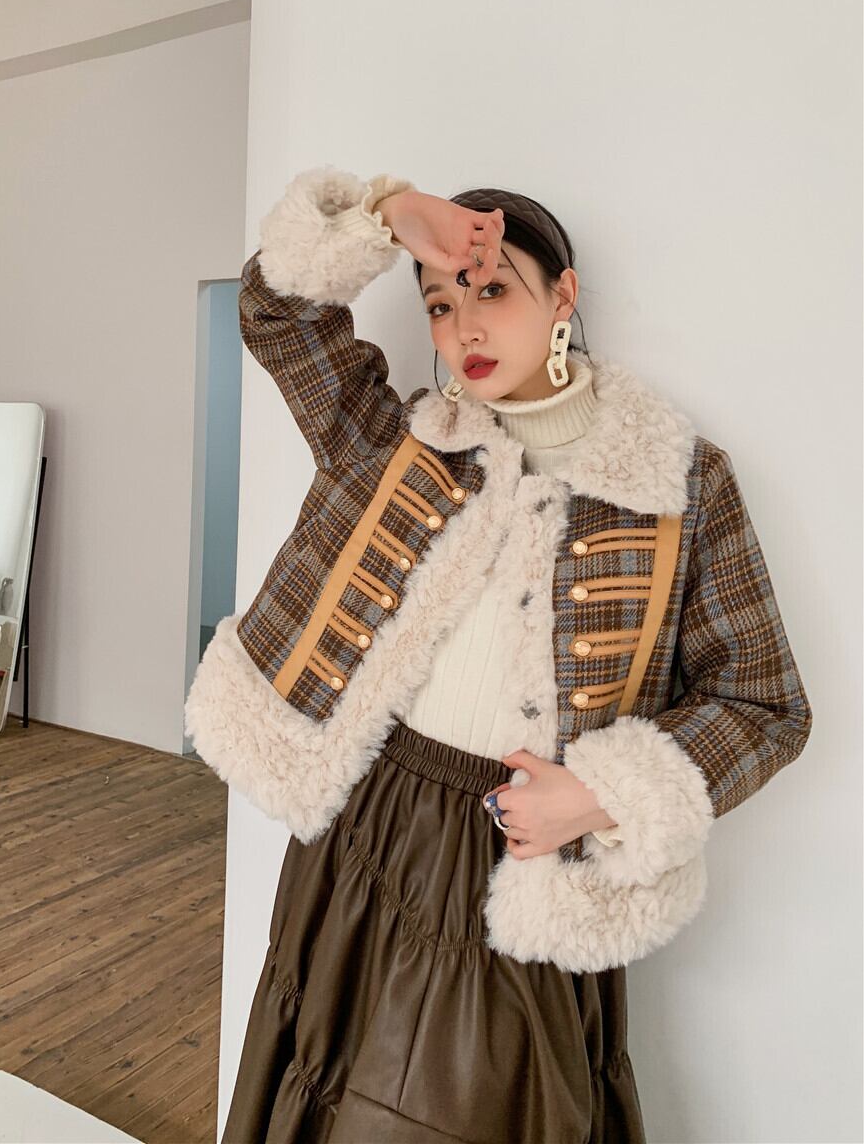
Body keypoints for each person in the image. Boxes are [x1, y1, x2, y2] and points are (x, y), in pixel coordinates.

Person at [183, 166, 813, 1144]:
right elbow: (275, 315)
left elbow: (763, 702)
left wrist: (601, 794)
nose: (463, 327)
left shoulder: (679, 485)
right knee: (323, 1094)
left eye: (491, 290)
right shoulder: (392, 440)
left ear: (563, 296)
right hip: (369, 826)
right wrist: (387, 215)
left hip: (527, 858)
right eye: (440, 303)